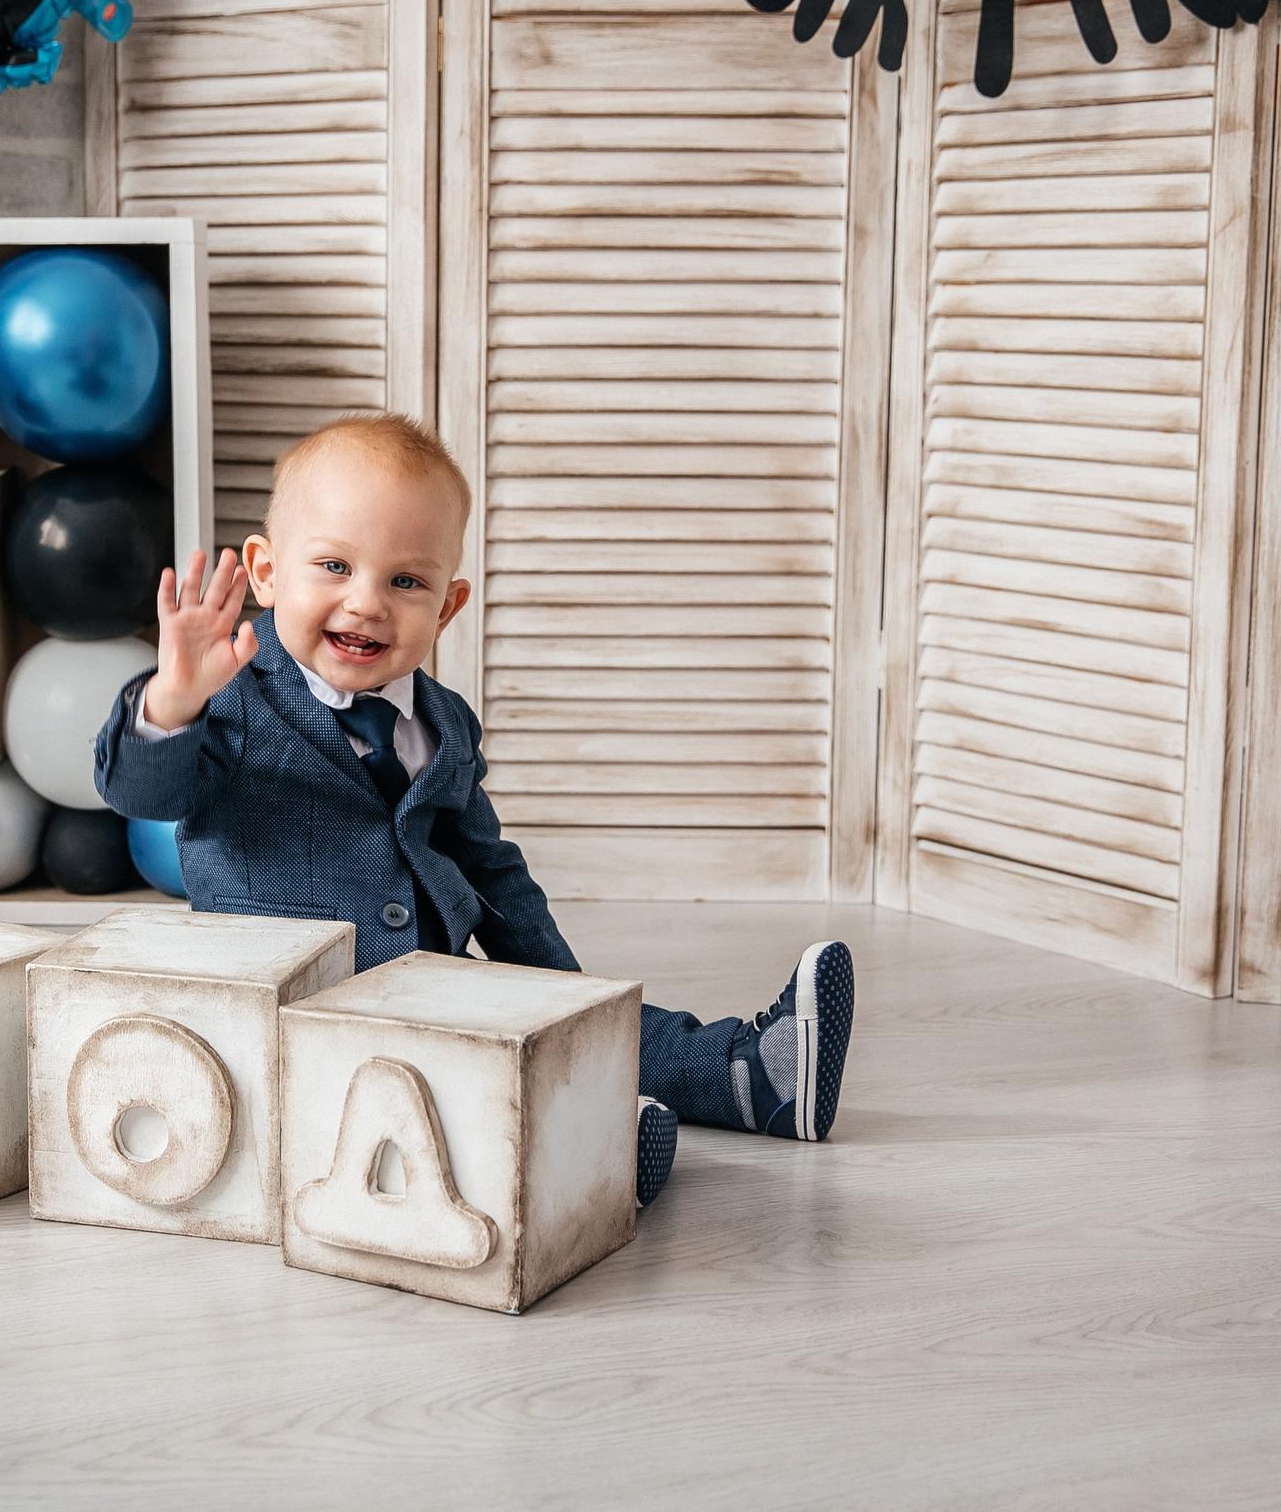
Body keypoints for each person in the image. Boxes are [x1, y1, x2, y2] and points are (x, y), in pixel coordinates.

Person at [93, 413, 855, 1208]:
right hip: (299, 1015)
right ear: (266, 571)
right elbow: (140, 791)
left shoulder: (442, 721)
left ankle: (756, 1073)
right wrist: (170, 701)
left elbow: (489, 868)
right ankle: (591, 1153)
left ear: (448, 605)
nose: (367, 602)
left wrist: (564, 992)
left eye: (405, 580)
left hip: (433, 982)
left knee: (572, 1026)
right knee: (448, 1088)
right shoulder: (229, 698)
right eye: (334, 565)